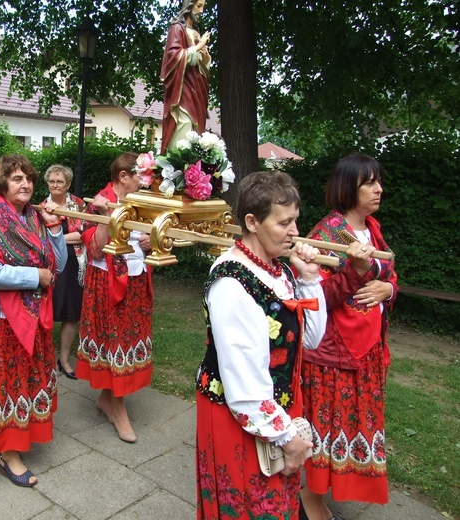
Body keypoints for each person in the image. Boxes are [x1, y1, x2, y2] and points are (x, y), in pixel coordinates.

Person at [195, 170, 327, 519]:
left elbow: (310, 339)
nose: (295, 232)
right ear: (252, 222)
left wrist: (310, 278)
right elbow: (242, 381)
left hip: (272, 406)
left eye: (296, 220)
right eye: (284, 223)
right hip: (240, 412)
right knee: (249, 503)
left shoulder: (277, 270)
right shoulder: (231, 282)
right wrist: (286, 435)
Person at [300, 154, 398, 520]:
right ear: (347, 187)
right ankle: (311, 495)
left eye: (378, 181)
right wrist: (358, 272)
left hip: (368, 347)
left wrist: (388, 291)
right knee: (328, 424)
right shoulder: (327, 234)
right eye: (369, 183)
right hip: (335, 352)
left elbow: (389, 274)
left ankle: (331, 486)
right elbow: (316, 297)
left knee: (353, 423)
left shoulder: (371, 228)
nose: (379, 189)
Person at [0, 154, 66, 487]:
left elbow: (59, 264)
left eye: (28, 179)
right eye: (16, 178)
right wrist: (34, 276)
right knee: (2, 383)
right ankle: (7, 452)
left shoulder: (35, 218)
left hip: (30, 316)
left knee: (23, 381)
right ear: (1, 183)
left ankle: (17, 437)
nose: (25, 184)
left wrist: (54, 229)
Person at [76, 152, 152, 444]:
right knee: (115, 341)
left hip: (134, 281)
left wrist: (149, 240)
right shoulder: (99, 201)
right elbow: (95, 250)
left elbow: (147, 242)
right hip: (107, 283)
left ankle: (107, 400)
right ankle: (117, 407)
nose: (144, 183)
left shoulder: (139, 203)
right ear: (123, 176)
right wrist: (106, 217)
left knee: (124, 341)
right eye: (140, 177)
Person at [41, 164, 85, 379]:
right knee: (47, 311)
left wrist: (56, 239)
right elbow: (38, 240)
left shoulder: (78, 205)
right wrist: (62, 240)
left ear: (68, 184)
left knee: (71, 314)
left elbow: (84, 235)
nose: (55, 185)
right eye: (52, 181)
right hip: (51, 265)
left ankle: (65, 359)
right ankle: (46, 359)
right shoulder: (41, 207)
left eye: (60, 181)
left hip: (76, 264)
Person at [160, 0, 211, 154]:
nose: (201, 10)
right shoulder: (177, 29)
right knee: (184, 124)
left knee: (196, 132)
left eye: (203, 7)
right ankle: (178, 169)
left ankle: (193, 171)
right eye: (198, 5)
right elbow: (173, 56)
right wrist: (198, 46)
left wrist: (206, 57)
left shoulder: (195, 32)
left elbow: (201, 64)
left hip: (197, 88)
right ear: (189, 5)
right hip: (183, 90)